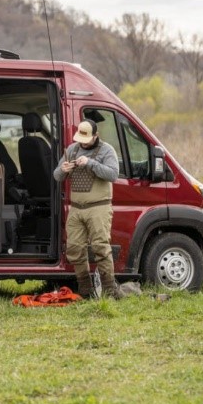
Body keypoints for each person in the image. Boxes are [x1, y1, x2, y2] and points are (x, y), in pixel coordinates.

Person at [53, 119, 123, 299]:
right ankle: (85, 289)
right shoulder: (71, 150)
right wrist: (64, 169)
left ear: (96, 136)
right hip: (76, 209)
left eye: (87, 140)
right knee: (74, 249)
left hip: (98, 208)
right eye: (80, 139)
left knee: (101, 248)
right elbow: (57, 176)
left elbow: (113, 174)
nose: (83, 143)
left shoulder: (107, 150)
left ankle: (109, 290)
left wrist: (90, 163)